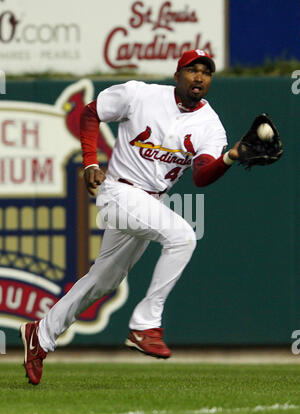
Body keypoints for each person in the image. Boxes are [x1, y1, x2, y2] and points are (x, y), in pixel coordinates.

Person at [20, 49, 240, 385]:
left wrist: (231, 158)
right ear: (177, 75)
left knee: (103, 280)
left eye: (206, 72)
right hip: (119, 192)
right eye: (192, 70)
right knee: (182, 236)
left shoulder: (210, 124)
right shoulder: (140, 94)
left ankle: (41, 334)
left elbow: (201, 175)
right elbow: (91, 112)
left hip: (150, 203)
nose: (199, 77)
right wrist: (91, 162)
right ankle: (145, 325)